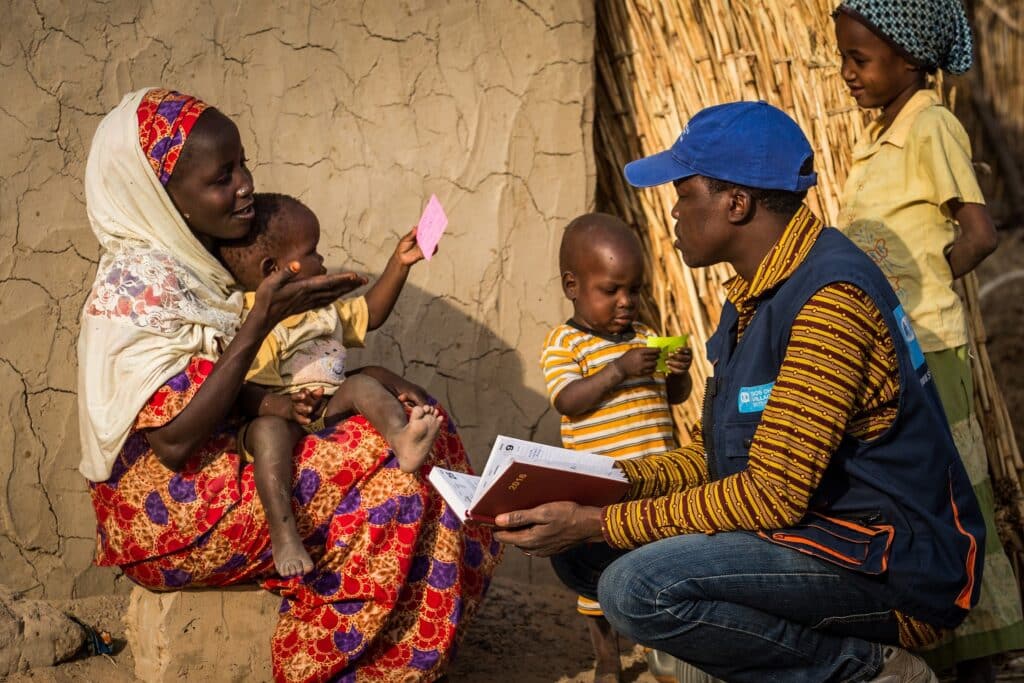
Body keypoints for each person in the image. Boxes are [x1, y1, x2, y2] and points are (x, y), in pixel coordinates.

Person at [494, 100, 986, 683]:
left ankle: (867, 669)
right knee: (578, 555)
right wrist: (605, 486)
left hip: (889, 565)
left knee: (635, 586)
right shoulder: (753, 297)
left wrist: (600, 520)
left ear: (736, 202)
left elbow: (770, 495)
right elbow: (713, 458)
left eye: (683, 194)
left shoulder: (830, 301)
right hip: (816, 536)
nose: (673, 212)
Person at [77, 87, 500, 683]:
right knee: (393, 471)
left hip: (226, 469)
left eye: (242, 164)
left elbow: (242, 387)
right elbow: (173, 443)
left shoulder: (199, 265)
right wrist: (262, 321)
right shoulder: (141, 290)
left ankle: (403, 654)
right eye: (222, 178)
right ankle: (325, 662)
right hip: (172, 513)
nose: (244, 184)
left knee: (412, 455)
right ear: (162, 196)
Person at [833, 2, 1024, 680]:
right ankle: (943, 642)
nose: (847, 72)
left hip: (930, 345)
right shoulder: (878, 135)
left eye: (861, 59)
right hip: (890, 352)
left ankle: (979, 647)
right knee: (916, 499)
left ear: (911, 60)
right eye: (845, 57)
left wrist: (916, 292)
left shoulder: (931, 126)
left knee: (951, 497)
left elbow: (979, 233)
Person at [217, 192, 443, 578]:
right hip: (277, 413)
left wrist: (399, 264)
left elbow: (370, 312)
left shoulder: (321, 310)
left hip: (327, 403)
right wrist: (286, 409)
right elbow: (242, 391)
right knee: (267, 434)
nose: (322, 261)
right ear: (277, 269)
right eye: (313, 252)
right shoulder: (252, 318)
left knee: (364, 386)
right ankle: (284, 531)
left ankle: (403, 438)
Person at [541, 212, 693, 683]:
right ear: (573, 285)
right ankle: (606, 658)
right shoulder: (565, 344)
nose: (626, 302)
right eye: (611, 290)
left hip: (657, 485)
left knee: (655, 567)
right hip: (602, 491)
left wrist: (678, 372)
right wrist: (618, 371)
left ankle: (657, 652)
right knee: (598, 576)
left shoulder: (645, 336)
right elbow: (568, 400)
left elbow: (672, 398)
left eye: (634, 290)